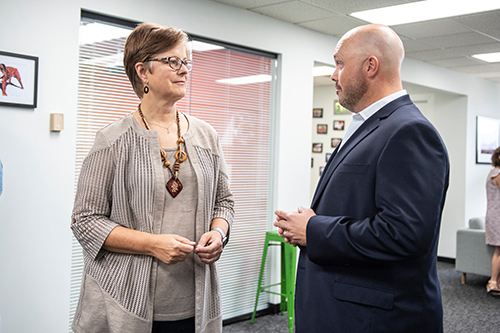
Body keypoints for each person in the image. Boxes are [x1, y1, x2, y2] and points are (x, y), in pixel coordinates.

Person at [274, 24, 449, 332]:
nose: (333, 74)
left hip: (375, 320)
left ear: (371, 65)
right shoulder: (372, 126)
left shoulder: (409, 131)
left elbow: (403, 234)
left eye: (340, 63)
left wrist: (314, 230)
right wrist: (314, 220)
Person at [71, 22, 234, 333]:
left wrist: (219, 233)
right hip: (126, 301)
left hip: (195, 301)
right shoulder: (112, 141)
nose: (184, 69)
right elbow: (85, 221)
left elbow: (224, 201)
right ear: (143, 72)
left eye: (186, 61)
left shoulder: (206, 135)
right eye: (173, 61)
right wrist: (151, 244)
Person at [485, 147, 500, 295]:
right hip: (497, 217)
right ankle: (493, 282)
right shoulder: (497, 173)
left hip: (495, 215)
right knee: (499, 250)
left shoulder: (493, 172)